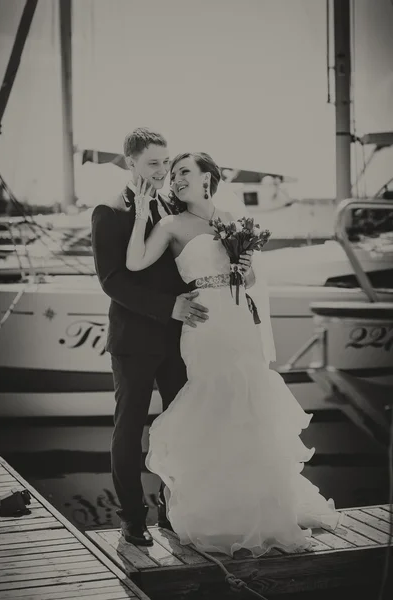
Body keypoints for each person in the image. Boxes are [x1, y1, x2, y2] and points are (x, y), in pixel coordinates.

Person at [125, 151, 342, 557]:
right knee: (215, 403)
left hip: (239, 319)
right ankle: (217, 511)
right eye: (173, 174)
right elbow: (134, 263)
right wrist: (141, 213)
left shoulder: (231, 220)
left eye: (185, 171)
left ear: (209, 177)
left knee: (249, 404)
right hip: (204, 324)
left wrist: (245, 267)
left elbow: (252, 277)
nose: (176, 178)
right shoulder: (171, 224)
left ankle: (259, 508)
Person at [91, 128, 211, 547]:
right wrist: (168, 308)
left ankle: (171, 513)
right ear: (131, 163)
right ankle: (132, 519)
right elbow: (111, 281)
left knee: (180, 428)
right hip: (135, 343)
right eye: (153, 163)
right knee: (129, 432)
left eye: (165, 162)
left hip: (179, 343)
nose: (162, 171)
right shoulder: (108, 210)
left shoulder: (172, 206)